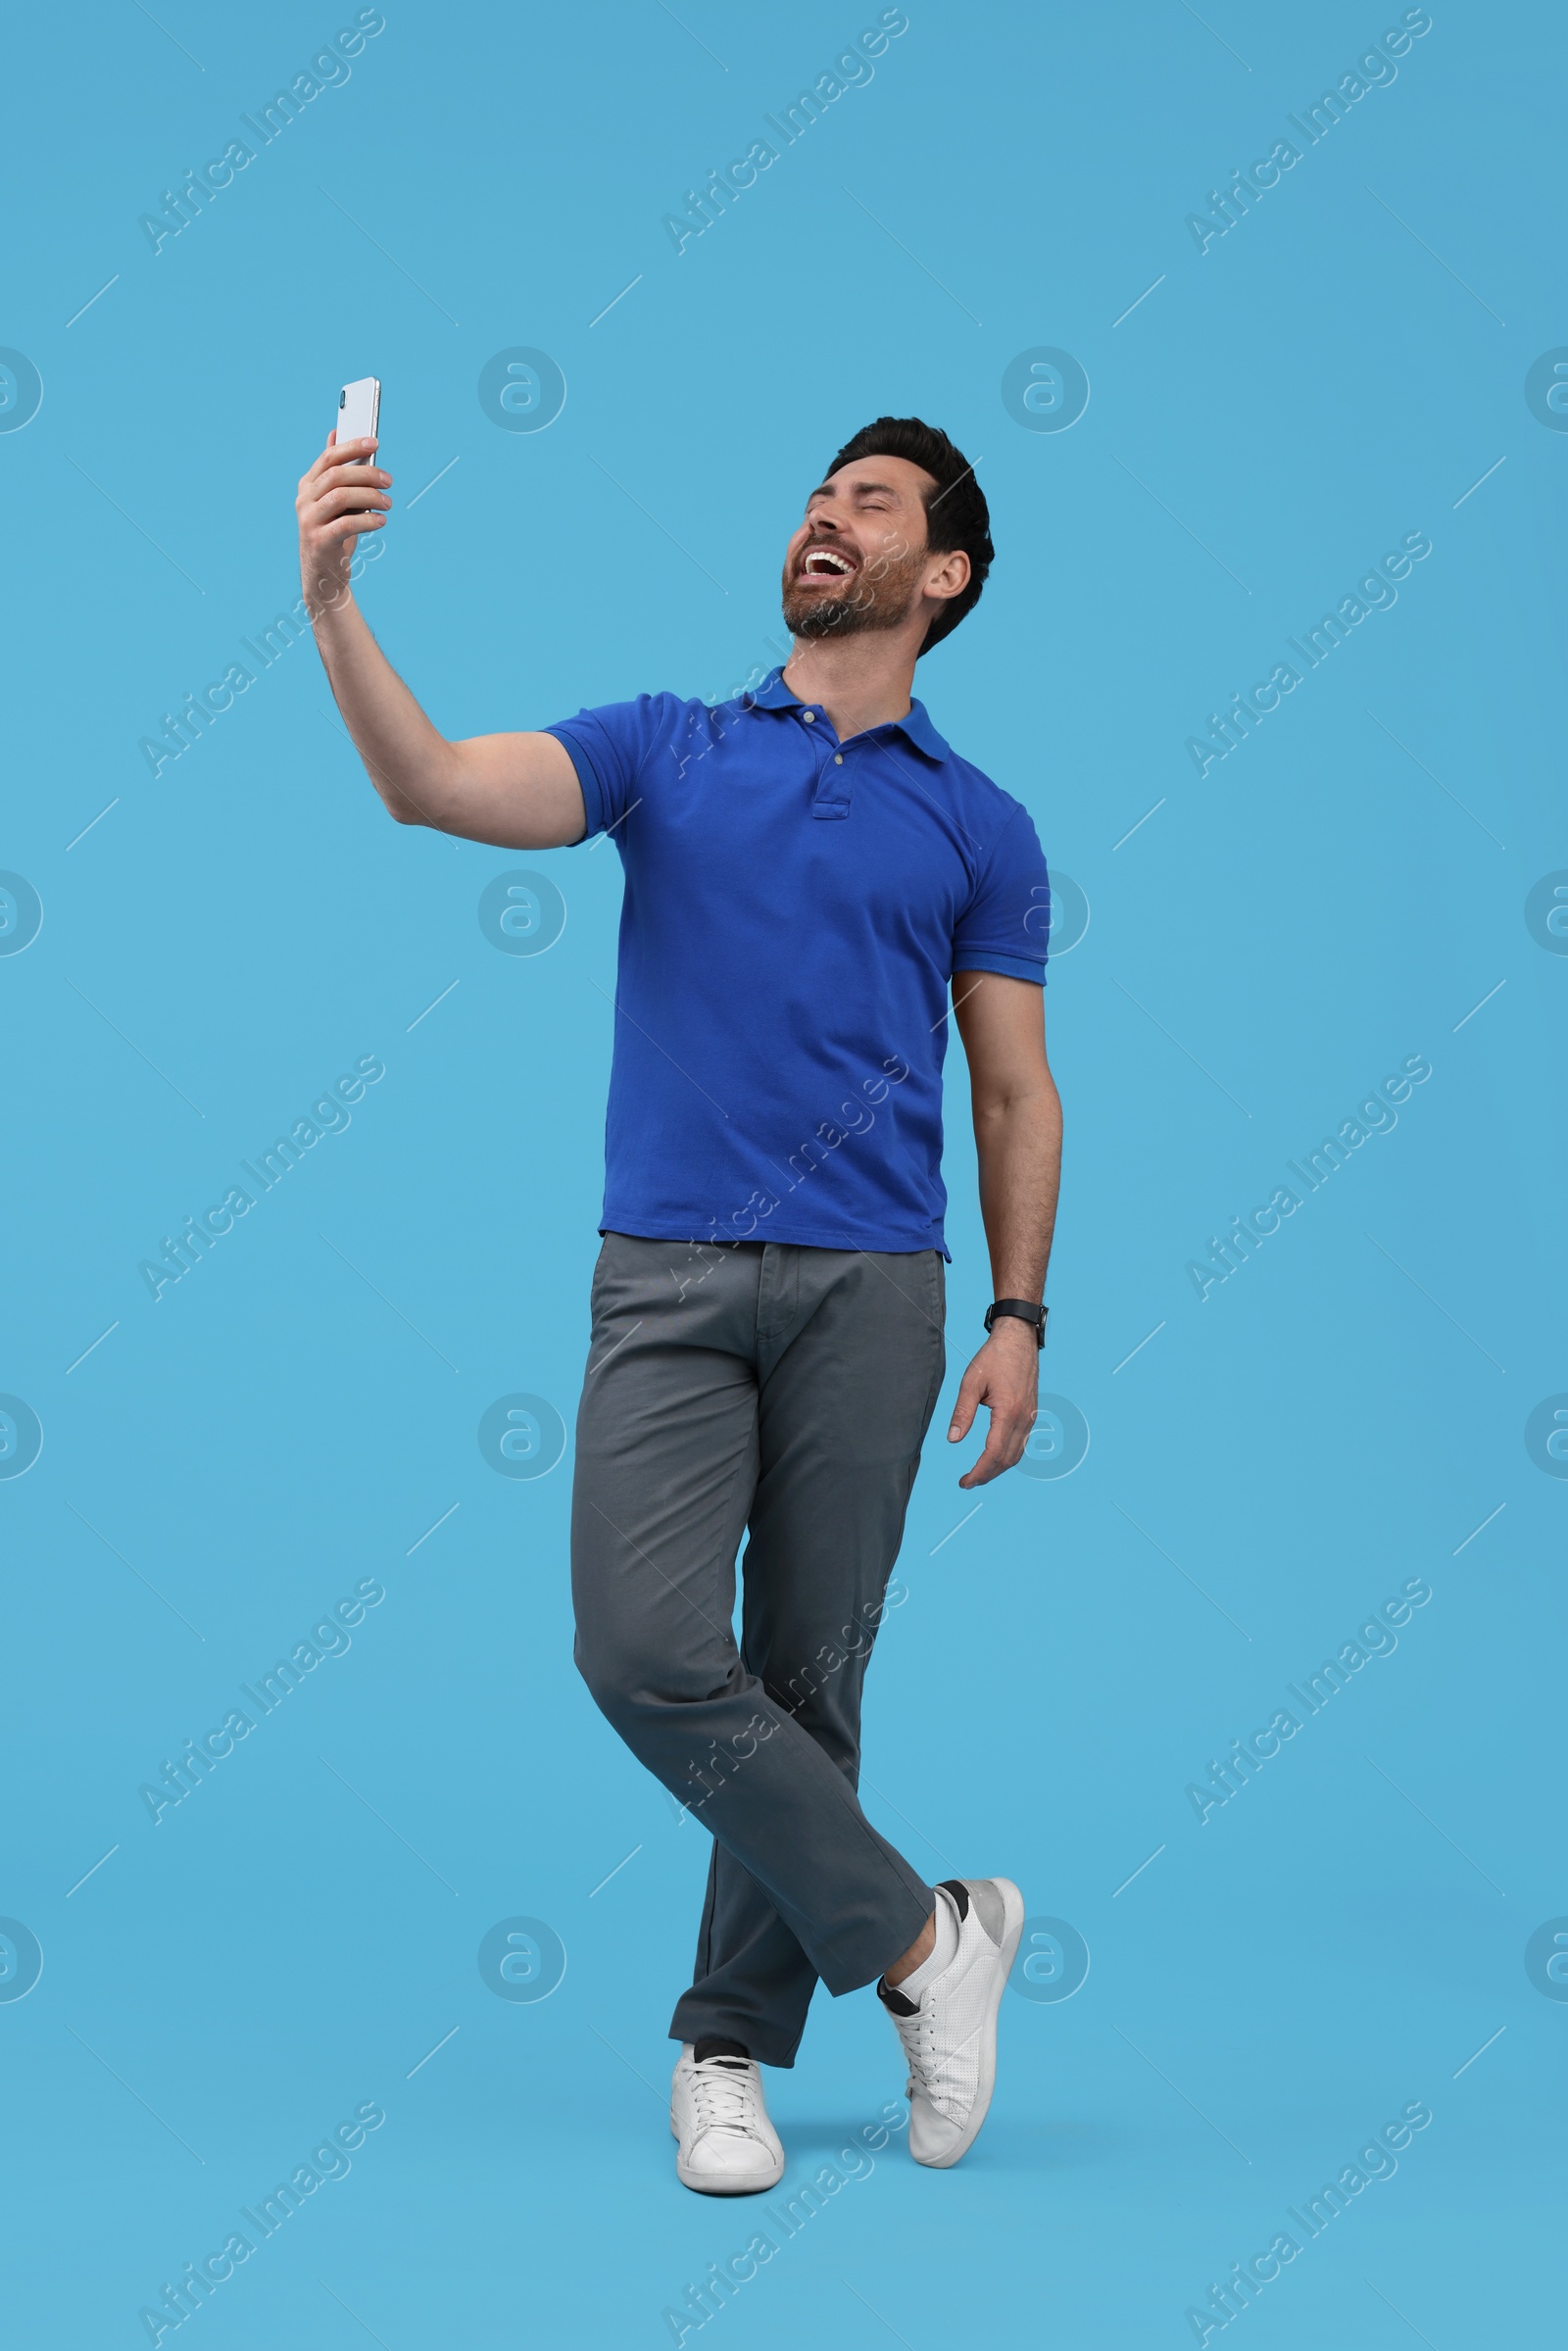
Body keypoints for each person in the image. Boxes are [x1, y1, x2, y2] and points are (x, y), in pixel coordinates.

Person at [297, 412, 1063, 2190]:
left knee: (809, 1680)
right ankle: (933, 1944)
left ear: (939, 574)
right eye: (815, 494)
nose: (826, 516)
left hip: (881, 1289)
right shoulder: (669, 748)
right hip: (669, 1272)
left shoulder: (983, 824)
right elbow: (430, 784)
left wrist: (1023, 1320)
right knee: (644, 1651)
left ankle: (725, 2052)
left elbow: (1018, 1093)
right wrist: (335, 600)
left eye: (869, 504)